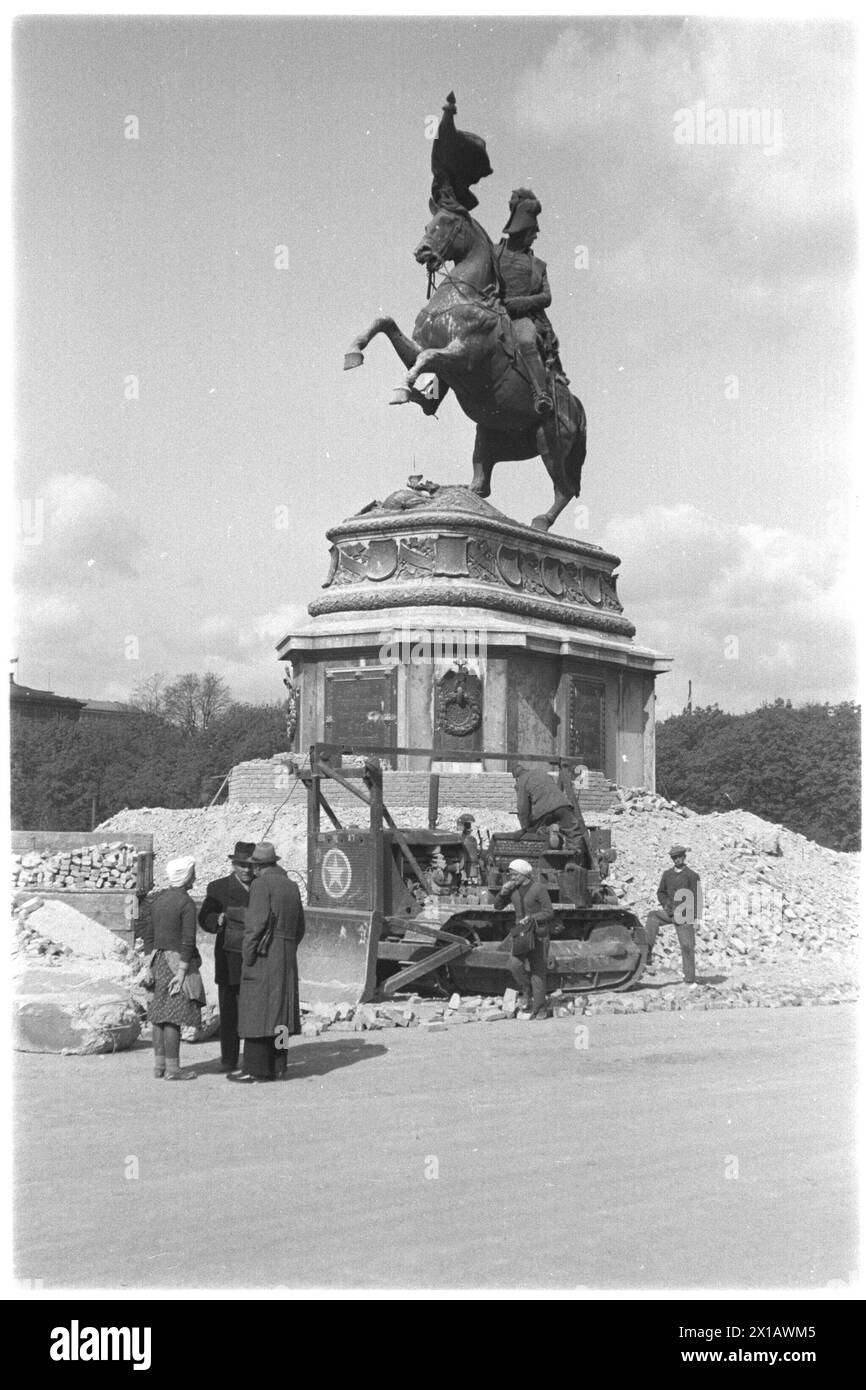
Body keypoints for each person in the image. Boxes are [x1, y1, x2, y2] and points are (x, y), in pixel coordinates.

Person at [232, 842, 305, 1084]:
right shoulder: (291, 886)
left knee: (257, 1013)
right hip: (286, 955)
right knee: (282, 1014)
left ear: (258, 867)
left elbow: (255, 925)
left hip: (265, 954)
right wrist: (288, 948)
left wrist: (249, 955)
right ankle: (280, 1064)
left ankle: (255, 1068)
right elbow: (301, 927)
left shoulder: (261, 885)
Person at [493, 188, 564, 416]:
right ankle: (432, 396)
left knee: (525, 338)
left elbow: (546, 297)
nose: (536, 234)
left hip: (521, 319)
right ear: (523, 229)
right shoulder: (495, 253)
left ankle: (541, 393)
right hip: (493, 313)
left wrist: (521, 303)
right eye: (533, 230)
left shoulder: (538, 266)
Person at [141, 856, 205, 1081]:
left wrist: (147, 964)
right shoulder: (185, 903)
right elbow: (188, 940)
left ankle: (159, 1066)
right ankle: (174, 1069)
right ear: (186, 876)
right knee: (172, 1017)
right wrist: (181, 972)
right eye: (193, 873)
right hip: (175, 963)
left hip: (157, 961)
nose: (195, 877)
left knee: (158, 1015)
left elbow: (148, 934)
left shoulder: (158, 900)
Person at [198, 841, 255, 1073]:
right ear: (233, 864)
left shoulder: (262, 887)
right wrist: (217, 920)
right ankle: (229, 1059)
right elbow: (204, 918)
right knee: (229, 1013)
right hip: (229, 960)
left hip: (254, 960)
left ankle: (253, 1059)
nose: (246, 870)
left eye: (250, 866)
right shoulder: (218, 888)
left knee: (253, 1011)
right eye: (241, 865)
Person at [494, 857, 556, 1020]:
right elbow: (497, 906)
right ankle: (526, 989)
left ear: (523, 874)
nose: (512, 877)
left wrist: (532, 918)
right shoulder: (513, 890)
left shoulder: (538, 888)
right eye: (511, 874)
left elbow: (549, 912)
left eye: (514, 875)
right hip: (521, 935)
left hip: (538, 935)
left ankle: (540, 1008)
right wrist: (503, 892)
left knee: (538, 971)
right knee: (514, 964)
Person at [644, 845, 703, 986]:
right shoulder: (667, 874)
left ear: (684, 857)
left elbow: (698, 898)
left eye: (679, 857)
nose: (677, 860)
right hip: (669, 912)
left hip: (685, 916)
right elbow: (660, 892)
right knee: (653, 916)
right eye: (674, 858)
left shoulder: (692, 876)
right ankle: (646, 953)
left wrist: (696, 919)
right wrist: (665, 904)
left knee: (687, 946)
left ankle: (689, 979)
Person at [513, 763, 578, 834]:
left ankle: (547, 829)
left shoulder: (521, 781)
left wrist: (525, 828)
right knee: (573, 833)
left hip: (544, 812)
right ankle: (557, 830)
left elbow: (522, 808)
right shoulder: (541, 772)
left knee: (535, 831)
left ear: (517, 778)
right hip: (563, 805)